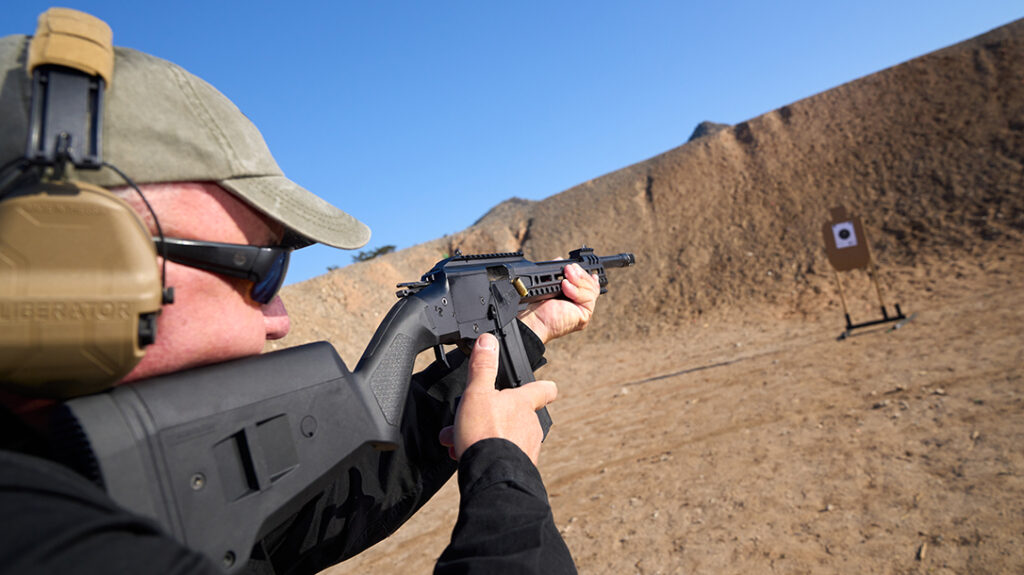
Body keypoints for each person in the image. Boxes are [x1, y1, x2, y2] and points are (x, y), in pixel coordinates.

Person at [0, 10, 598, 575]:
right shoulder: (53, 542)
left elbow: (319, 508)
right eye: (260, 271)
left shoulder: (80, 475)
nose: (278, 318)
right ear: (62, 270)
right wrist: (503, 475)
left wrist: (521, 335)